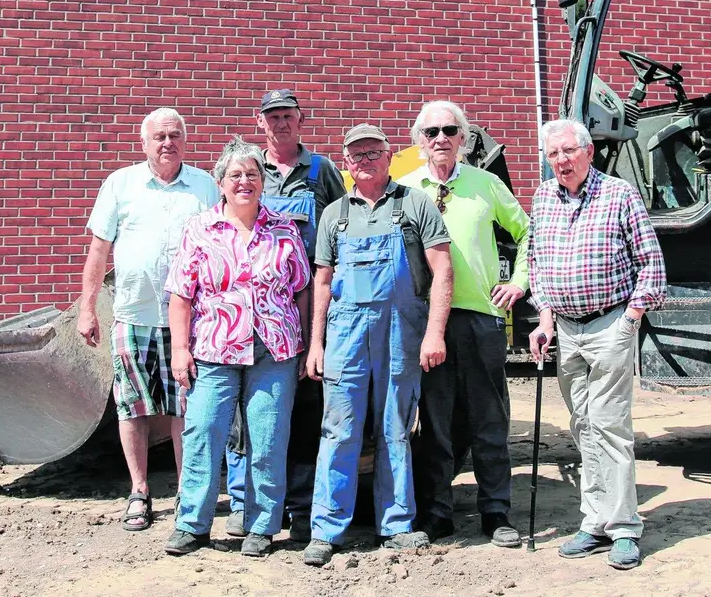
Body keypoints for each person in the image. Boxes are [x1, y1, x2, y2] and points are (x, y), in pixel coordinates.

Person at [301, 123, 454, 567]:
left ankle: (397, 524)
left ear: (389, 156)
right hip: (345, 331)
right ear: (345, 163)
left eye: (373, 153)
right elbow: (323, 282)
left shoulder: (414, 204)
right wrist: (316, 343)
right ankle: (327, 530)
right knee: (340, 427)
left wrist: (434, 332)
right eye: (356, 155)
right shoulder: (335, 214)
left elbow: (442, 270)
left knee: (395, 426)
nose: (364, 161)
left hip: (400, 328)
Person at [526, 118, 667, 571]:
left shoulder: (619, 194)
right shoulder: (544, 198)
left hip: (610, 324)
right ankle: (594, 522)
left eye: (569, 151)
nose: (562, 161)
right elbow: (537, 263)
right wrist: (544, 318)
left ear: (588, 152)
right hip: (565, 330)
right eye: (553, 154)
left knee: (609, 424)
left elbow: (651, 263)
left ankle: (624, 527)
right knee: (582, 426)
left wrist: (631, 319)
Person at [162, 137, 312, 558]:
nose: (244, 181)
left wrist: (301, 343)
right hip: (213, 349)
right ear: (221, 183)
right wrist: (180, 349)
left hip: (274, 350)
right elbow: (180, 294)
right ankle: (193, 524)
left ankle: (261, 527)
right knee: (203, 432)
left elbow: (300, 290)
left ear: (262, 182)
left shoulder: (283, 227)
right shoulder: (200, 228)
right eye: (235, 175)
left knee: (267, 437)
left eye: (251, 174)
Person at [76, 107, 219, 533]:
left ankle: (185, 492)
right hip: (132, 314)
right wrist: (87, 308)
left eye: (175, 135)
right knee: (133, 405)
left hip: (191, 319)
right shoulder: (121, 184)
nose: (167, 143)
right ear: (144, 143)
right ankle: (139, 491)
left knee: (186, 406)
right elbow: (98, 252)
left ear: (185, 140)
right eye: (159, 136)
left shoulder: (205, 187)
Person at [401, 100, 530, 547]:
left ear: (464, 138)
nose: (441, 138)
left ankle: (496, 512)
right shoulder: (404, 189)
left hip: (482, 317)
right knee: (435, 421)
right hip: (425, 322)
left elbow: (527, 231)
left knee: (488, 418)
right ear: (419, 140)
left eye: (450, 131)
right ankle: (437, 512)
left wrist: (519, 282)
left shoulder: (487, 184)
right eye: (431, 131)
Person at [224, 88, 347, 542]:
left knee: (303, 404)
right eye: (272, 116)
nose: (280, 123)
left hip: (306, 301)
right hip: (251, 309)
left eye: (287, 116)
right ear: (261, 123)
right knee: (246, 410)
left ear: (301, 119)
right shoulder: (249, 170)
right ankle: (243, 502)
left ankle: (299, 505)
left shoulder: (322, 170)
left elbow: (342, 222)